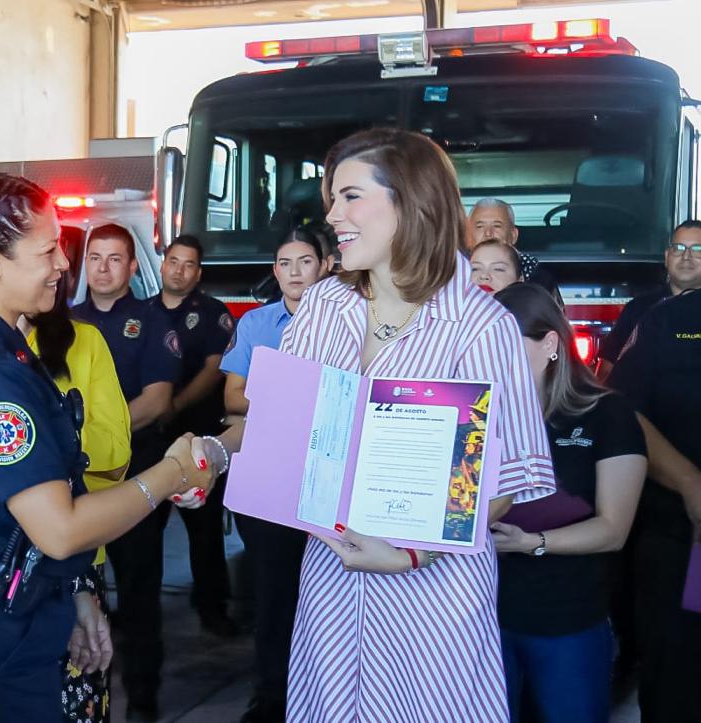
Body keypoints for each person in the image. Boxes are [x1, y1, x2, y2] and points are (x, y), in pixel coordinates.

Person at [195, 128, 556, 722]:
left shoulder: (478, 324)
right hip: (333, 584)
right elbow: (279, 423)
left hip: (433, 601)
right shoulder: (324, 306)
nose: (332, 214)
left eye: (350, 196)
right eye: (332, 198)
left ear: (410, 201)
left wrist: (410, 556)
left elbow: (503, 480)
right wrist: (213, 451)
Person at [0, 174, 211, 722]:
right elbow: (59, 527)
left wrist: (78, 595)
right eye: (47, 251)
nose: (65, 265)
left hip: (22, 606)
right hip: (0, 632)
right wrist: (172, 472)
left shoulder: (2, 349)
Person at [490, 283, 646, 722]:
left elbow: (613, 529)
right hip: (484, 617)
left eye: (507, 347)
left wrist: (532, 541)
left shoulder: (606, 414)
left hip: (568, 620)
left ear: (551, 344)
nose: (495, 362)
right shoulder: (482, 417)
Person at [72, 223, 182, 720]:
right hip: (76, 487)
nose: (103, 267)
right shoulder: (61, 323)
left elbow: (157, 401)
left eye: (115, 258)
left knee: (138, 594)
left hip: (135, 479)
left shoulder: (153, 321)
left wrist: (96, 440)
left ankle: (142, 699)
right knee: (78, 595)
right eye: (95, 257)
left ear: (133, 267)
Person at [220, 228, 324, 723]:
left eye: (305, 261)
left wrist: (276, 394)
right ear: (275, 271)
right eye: (285, 263)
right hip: (270, 473)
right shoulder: (258, 322)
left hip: (326, 472)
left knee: (327, 594)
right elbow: (232, 398)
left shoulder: (348, 320)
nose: (296, 271)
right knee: (274, 595)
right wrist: (296, 396)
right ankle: (271, 698)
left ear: (324, 266)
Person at [24, 270, 132, 722]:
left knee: (78, 696)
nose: (51, 268)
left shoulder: (84, 341)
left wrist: (35, 448)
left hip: (78, 549)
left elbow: (116, 449)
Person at [607, 288, 701, 722]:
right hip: (679, 539)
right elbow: (623, 409)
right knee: (675, 684)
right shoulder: (671, 319)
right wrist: (688, 481)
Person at [149, 234, 238, 636]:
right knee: (144, 533)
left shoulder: (213, 313)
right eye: (173, 261)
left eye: (188, 265)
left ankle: (212, 609)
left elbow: (213, 370)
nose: (179, 270)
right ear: (163, 263)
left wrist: (174, 406)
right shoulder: (142, 313)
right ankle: (141, 608)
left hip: (198, 436)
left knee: (203, 532)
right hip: (149, 440)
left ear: (198, 273)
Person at [597, 219, 701, 380]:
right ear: (667, 257)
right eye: (678, 248)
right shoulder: (639, 309)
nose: (686, 256)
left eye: (697, 249)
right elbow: (606, 373)